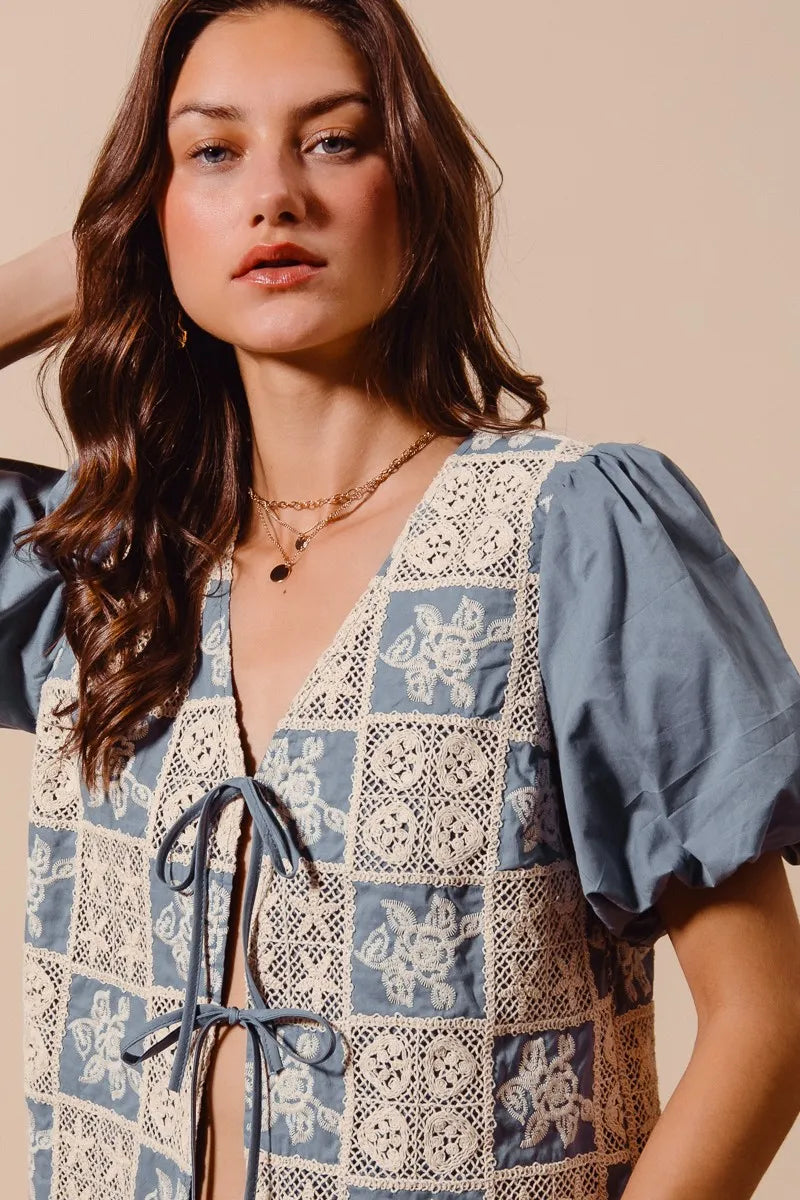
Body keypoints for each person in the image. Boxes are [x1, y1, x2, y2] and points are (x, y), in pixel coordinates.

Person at [3, 2, 800, 1199]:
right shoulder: (102, 564)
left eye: (333, 140)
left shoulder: (571, 533)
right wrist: (92, 259)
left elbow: (764, 1016)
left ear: (415, 189)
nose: (274, 196)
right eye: (212, 152)